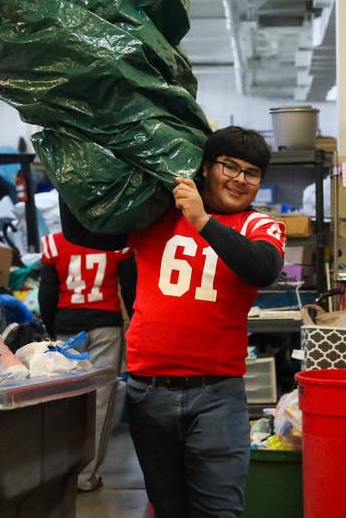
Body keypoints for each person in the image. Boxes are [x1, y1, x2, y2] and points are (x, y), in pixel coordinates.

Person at [60, 125, 286, 517]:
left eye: (252, 173)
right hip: (149, 394)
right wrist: (68, 160)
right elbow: (81, 230)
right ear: (204, 167)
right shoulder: (157, 216)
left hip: (217, 396)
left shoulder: (258, 226)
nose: (239, 179)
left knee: (220, 511)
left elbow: (263, 268)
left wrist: (202, 220)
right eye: (229, 166)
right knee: (168, 510)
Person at [38, 231, 136, 493]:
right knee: (101, 401)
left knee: (62, 401)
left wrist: (51, 329)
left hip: (67, 330)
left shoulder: (52, 243)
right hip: (106, 325)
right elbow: (130, 289)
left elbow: (46, 294)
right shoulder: (118, 242)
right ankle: (85, 477)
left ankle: (59, 475)